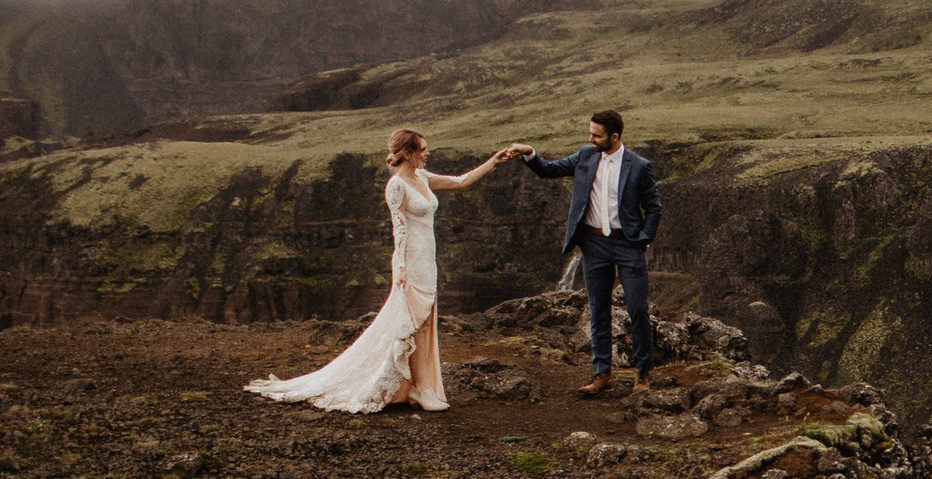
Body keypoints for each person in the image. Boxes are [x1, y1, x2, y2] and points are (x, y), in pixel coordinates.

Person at [246, 127, 509, 413]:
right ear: (407, 153)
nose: (427, 153)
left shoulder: (422, 177)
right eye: (422, 149)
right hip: (411, 263)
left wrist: (494, 161)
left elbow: (461, 182)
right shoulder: (397, 186)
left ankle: (420, 387)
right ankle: (423, 390)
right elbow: (399, 229)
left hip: (427, 262)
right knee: (416, 325)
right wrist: (401, 268)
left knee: (425, 323)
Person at [510, 109, 662, 394]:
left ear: (614, 137)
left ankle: (643, 374)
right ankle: (601, 374)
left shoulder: (639, 166)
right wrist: (529, 152)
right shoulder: (585, 155)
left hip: (628, 245)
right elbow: (548, 170)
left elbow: (653, 207)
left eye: (596, 135)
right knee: (598, 310)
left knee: (638, 309)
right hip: (593, 245)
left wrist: (643, 239)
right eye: (590, 133)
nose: (591, 139)